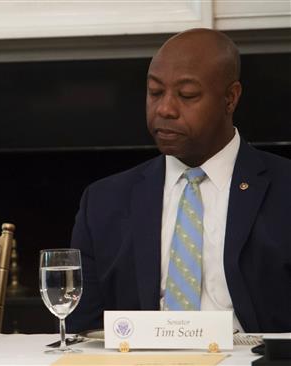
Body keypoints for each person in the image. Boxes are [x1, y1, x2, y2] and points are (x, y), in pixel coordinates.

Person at [67, 28, 291, 333]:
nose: (165, 109)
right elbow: (84, 331)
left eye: (187, 95)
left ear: (230, 98)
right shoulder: (104, 202)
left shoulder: (284, 188)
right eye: (155, 92)